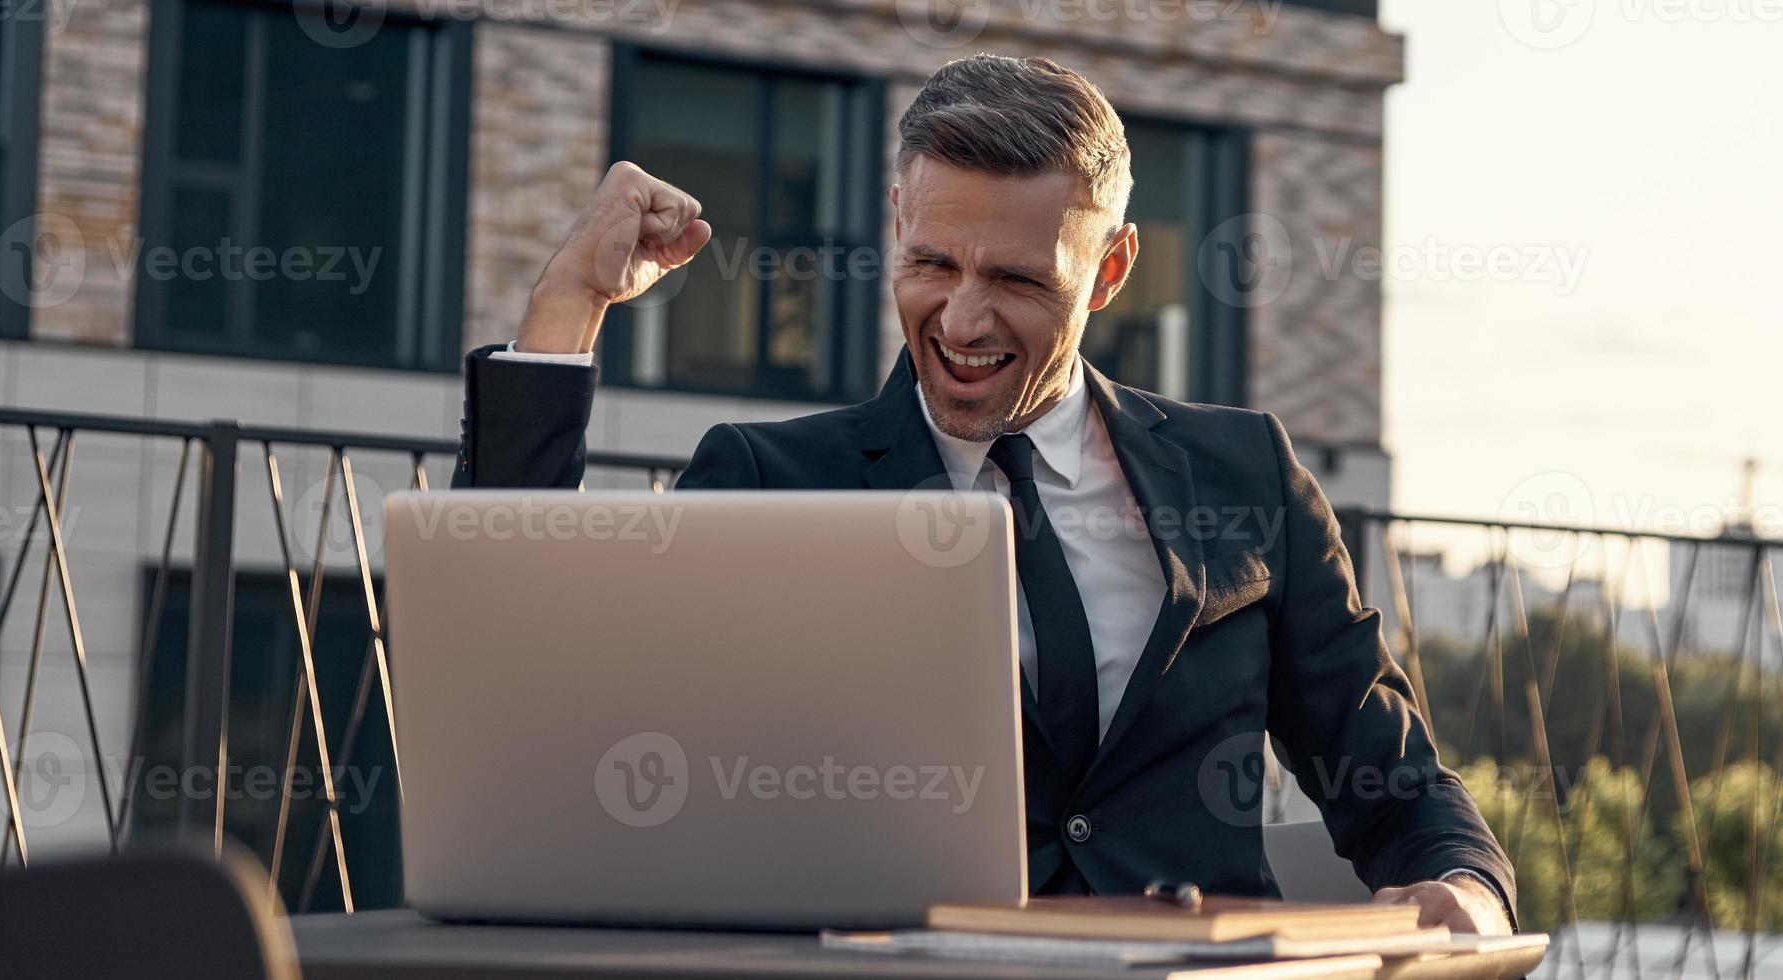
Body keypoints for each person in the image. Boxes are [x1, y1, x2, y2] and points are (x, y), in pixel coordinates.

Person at [453, 53, 1514, 933]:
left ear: (1107, 273)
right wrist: (564, 313)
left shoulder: (1245, 477)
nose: (960, 321)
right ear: (893, 224)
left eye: (1015, 280)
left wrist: (1464, 886)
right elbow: (513, 673)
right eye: (931, 264)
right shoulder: (770, 478)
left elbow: (1394, 782)